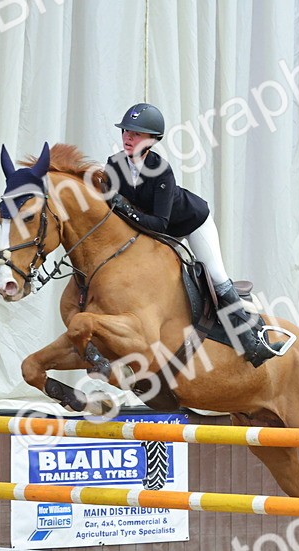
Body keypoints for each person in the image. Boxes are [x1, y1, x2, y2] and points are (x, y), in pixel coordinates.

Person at [104, 103, 277, 367]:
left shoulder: (160, 169)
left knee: (216, 276)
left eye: (136, 134)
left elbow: (160, 224)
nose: (128, 137)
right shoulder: (114, 165)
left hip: (190, 223)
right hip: (151, 232)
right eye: (126, 131)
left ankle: (252, 341)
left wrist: (125, 208)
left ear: (151, 140)